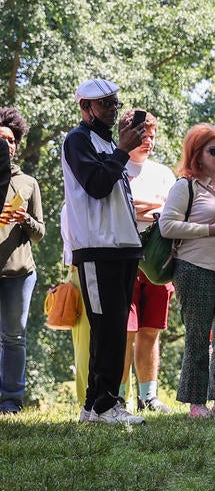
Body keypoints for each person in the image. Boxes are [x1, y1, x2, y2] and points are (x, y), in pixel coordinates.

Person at [62, 78, 147, 425]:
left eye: (115, 102)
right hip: (98, 248)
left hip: (123, 247)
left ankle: (94, 406)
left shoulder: (108, 141)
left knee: (114, 326)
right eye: (105, 104)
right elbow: (96, 186)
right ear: (86, 108)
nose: (113, 109)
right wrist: (123, 151)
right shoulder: (77, 139)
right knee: (107, 327)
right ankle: (105, 405)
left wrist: (120, 148)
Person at [159, 124, 215, 418]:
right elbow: (167, 225)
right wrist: (210, 229)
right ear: (197, 154)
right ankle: (196, 403)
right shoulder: (185, 186)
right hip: (195, 268)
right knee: (198, 335)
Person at [120, 109, 176, 413]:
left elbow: (172, 212)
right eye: (142, 135)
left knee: (151, 329)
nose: (148, 141)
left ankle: (148, 396)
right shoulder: (116, 167)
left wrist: (147, 207)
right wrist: (156, 205)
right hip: (124, 256)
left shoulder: (163, 173)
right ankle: (118, 396)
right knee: (124, 330)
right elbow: (123, 206)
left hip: (158, 260)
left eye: (152, 136)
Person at [0, 108, 45, 414]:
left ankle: (11, 403)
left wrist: (26, 219)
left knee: (14, 338)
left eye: (12, 140)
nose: (8, 144)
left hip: (18, 274)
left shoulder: (28, 183)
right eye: (2, 139)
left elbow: (41, 233)